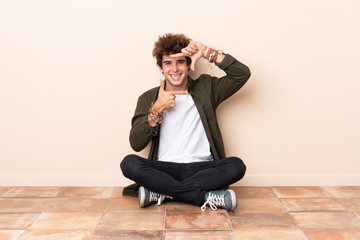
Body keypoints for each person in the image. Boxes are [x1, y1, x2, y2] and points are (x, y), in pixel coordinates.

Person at [120, 33, 251, 211]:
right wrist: (156, 109)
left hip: (203, 168)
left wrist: (206, 52)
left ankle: (162, 192)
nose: (175, 69)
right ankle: (202, 197)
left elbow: (242, 74)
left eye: (180, 62)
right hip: (164, 169)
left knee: (236, 165)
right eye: (168, 63)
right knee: (129, 163)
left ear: (189, 64)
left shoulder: (207, 88)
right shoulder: (149, 98)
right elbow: (136, 143)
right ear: (160, 67)